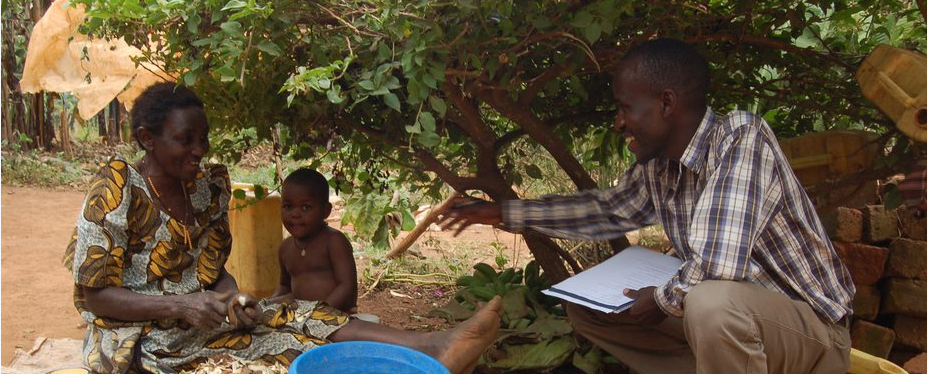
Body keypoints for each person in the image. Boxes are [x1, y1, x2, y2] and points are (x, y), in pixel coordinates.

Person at [440, 38, 855, 374]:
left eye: (625, 107)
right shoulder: (660, 167)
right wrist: (506, 213)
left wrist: (660, 299)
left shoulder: (741, 138)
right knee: (590, 311)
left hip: (813, 336)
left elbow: (718, 262)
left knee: (710, 304)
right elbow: (603, 211)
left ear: (666, 103)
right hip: (739, 328)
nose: (619, 122)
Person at [63, 82, 501, 374]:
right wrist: (180, 305)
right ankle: (418, 358)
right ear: (146, 138)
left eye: (204, 137)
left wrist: (232, 297)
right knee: (281, 348)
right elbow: (94, 294)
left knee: (304, 311)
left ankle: (432, 343)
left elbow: (214, 272)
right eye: (186, 140)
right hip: (138, 337)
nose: (199, 150)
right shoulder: (118, 188)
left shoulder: (209, 188)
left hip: (198, 317)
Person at [271, 168, 358, 314]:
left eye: (306, 207)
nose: (295, 214)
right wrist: (269, 303)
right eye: (288, 206)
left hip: (336, 316)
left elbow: (347, 287)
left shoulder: (333, 242)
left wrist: (319, 314)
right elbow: (285, 287)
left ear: (326, 211)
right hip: (301, 318)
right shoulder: (285, 248)